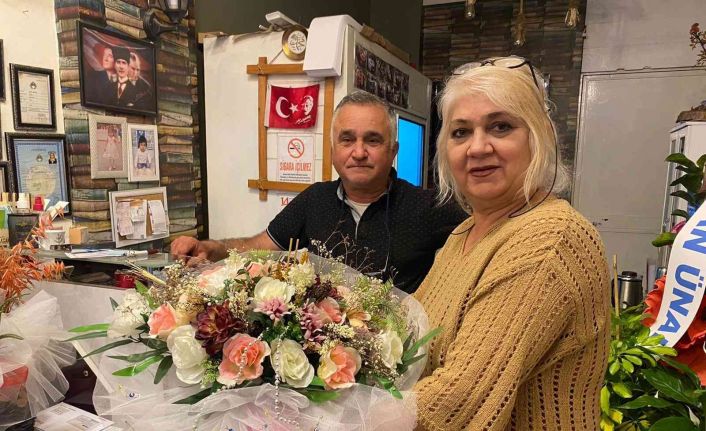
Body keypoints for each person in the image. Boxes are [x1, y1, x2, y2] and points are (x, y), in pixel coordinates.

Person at [412, 57, 610, 430]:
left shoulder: (550, 237)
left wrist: (341, 416)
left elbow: (457, 402)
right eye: (460, 132)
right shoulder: (464, 233)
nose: (477, 147)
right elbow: (411, 336)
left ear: (538, 136)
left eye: (500, 126)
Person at [170, 91, 467, 293]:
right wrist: (211, 249)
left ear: (393, 151)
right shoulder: (314, 199)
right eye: (347, 140)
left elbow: (485, 238)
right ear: (333, 150)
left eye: (373, 140)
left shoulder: (429, 206)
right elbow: (258, 246)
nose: (359, 152)